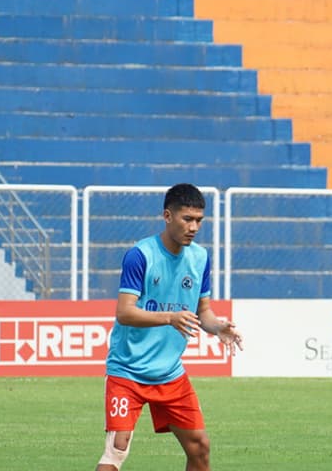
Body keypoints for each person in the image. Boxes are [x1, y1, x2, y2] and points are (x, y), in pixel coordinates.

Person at [97, 183, 242, 471]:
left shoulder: (200, 258)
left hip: (169, 374)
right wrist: (170, 318)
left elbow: (203, 312)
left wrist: (217, 327)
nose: (194, 227)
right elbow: (124, 313)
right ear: (167, 216)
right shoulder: (141, 255)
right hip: (128, 371)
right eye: (187, 219)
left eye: (199, 220)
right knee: (117, 451)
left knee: (200, 448)